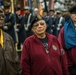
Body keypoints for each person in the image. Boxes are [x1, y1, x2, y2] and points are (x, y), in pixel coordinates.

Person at [0, 8, 22, 75]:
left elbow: (16, 60)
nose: (1, 19)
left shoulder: (8, 38)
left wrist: (19, 72)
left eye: (2, 17)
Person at [58, 5, 76, 75]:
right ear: (71, 15)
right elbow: (61, 47)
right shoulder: (64, 29)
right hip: (71, 65)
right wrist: (67, 63)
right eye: (74, 13)